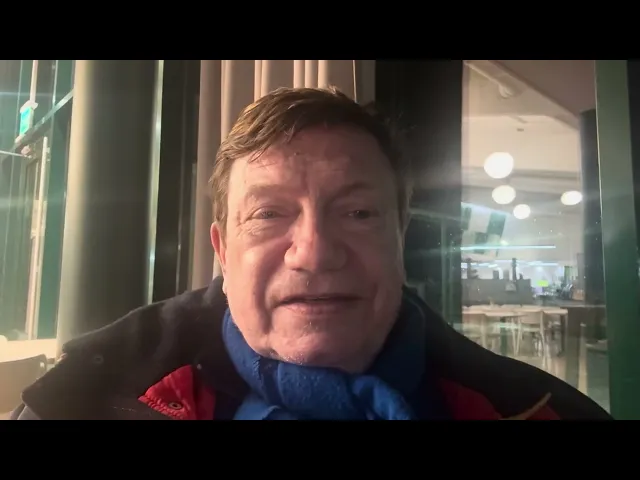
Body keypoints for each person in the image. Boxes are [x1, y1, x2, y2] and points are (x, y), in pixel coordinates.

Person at [12, 87, 611, 420]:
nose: (315, 254)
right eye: (268, 214)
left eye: (358, 213)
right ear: (223, 250)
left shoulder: (541, 412)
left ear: (399, 237)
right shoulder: (77, 405)